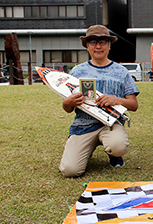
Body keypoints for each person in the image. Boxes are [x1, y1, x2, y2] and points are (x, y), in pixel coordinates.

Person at [59, 25, 139, 177]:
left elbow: (133, 105)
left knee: (118, 146)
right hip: (83, 126)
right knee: (70, 171)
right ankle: (85, 150)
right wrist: (68, 102)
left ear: (109, 46)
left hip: (110, 124)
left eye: (102, 42)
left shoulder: (121, 72)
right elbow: (67, 107)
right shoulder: (76, 72)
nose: (98, 46)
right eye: (93, 42)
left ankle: (114, 154)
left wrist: (115, 99)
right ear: (87, 46)